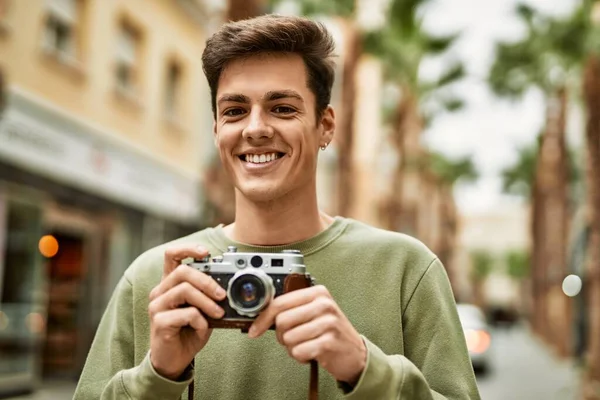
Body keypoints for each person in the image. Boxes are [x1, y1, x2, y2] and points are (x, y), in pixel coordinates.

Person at [74, 14, 481, 400]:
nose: (255, 129)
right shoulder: (155, 278)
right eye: (234, 111)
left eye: (282, 108)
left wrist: (362, 366)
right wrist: (158, 375)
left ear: (325, 126)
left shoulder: (404, 270)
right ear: (217, 130)